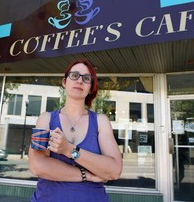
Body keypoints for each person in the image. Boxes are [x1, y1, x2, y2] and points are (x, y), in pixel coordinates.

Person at [29, 59, 123, 202]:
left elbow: (114, 170)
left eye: (86, 78)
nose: (79, 81)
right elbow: (38, 166)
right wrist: (88, 175)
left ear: (91, 88)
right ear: (64, 82)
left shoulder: (100, 121)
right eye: (74, 75)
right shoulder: (45, 119)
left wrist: (69, 149)